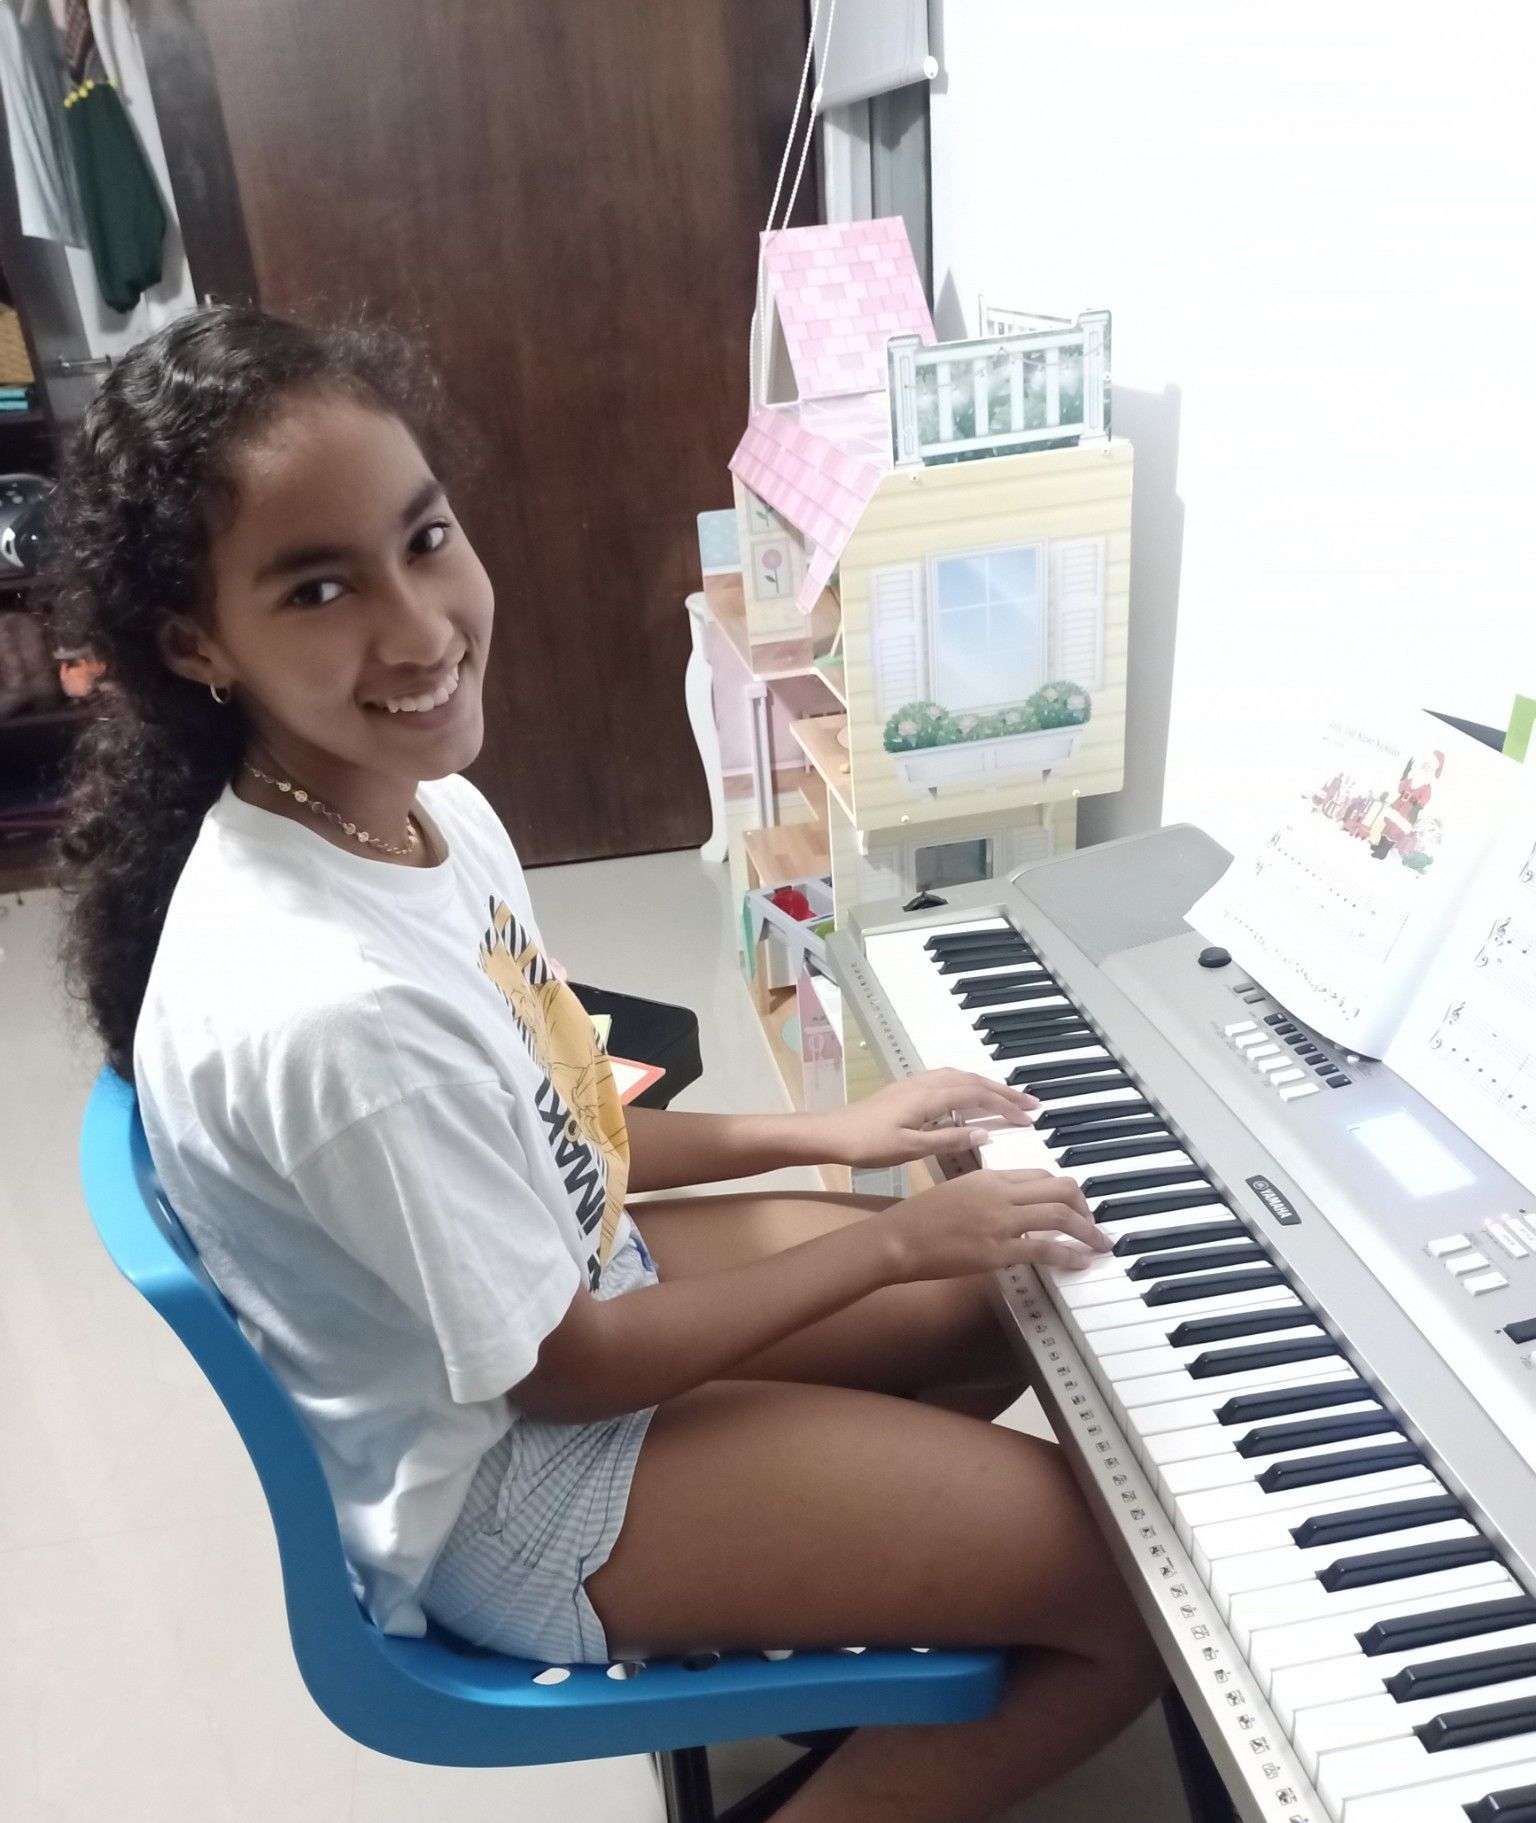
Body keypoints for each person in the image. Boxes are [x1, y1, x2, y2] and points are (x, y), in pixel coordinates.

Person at [50, 306, 1162, 1823]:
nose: (419, 628)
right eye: (319, 587)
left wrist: (825, 1131)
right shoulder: (333, 1005)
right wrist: (890, 1230)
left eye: (425, 538)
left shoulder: (412, 801)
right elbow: (563, 1375)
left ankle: (879, 1560)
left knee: (1007, 1301)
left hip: (578, 1307)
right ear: (197, 644)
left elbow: (563, 1111)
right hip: (518, 1487)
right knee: (1133, 1583)